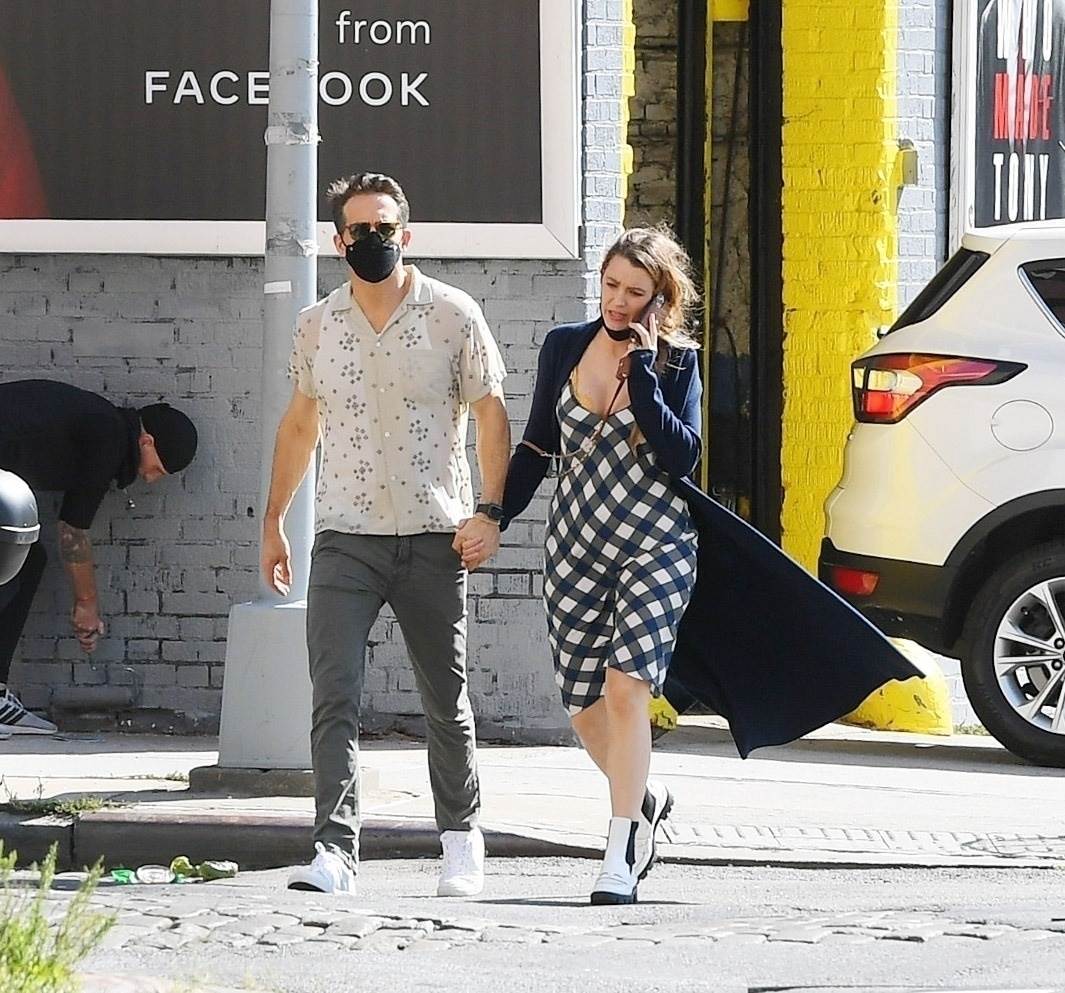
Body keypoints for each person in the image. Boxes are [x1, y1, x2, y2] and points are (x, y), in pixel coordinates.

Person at [460, 226, 920, 905]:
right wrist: (494, 514)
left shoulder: (678, 364)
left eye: (634, 292)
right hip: (575, 544)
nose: (617, 302)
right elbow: (535, 446)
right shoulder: (563, 345)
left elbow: (682, 456)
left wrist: (643, 372)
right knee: (583, 707)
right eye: (611, 286)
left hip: (657, 543)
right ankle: (644, 800)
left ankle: (620, 851)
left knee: (627, 690)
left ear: (660, 300)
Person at [263, 172, 510, 897]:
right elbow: (300, 424)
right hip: (346, 535)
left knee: (444, 697)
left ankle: (460, 841)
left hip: (435, 535)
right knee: (333, 694)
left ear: (406, 233)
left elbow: (491, 414)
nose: (372, 239)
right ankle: (334, 851)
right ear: (339, 241)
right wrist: (273, 521)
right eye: (358, 230)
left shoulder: (453, 314)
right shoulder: (316, 325)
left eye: (384, 227)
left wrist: (490, 511)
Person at [0, 380, 198, 734]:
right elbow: (72, 532)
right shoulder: (108, 437)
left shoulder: (101, 424)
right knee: (14, 562)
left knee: (24, 560)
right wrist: (87, 605)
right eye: (157, 468)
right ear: (146, 442)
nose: (151, 479)